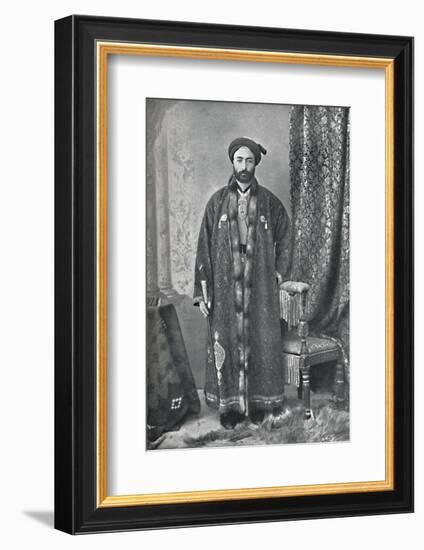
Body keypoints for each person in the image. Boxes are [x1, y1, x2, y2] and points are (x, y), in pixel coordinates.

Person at [193, 137, 291, 429]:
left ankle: (260, 403)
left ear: (255, 164)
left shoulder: (270, 203)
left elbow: (285, 238)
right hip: (224, 290)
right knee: (227, 343)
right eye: (239, 160)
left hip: (260, 288)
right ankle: (230, 408)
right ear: (232, 162)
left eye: (249, 161)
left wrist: (279, 273)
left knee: (261, 342)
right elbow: (203, 247)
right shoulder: (216, 203)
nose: (244, 167)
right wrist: (203, 291)